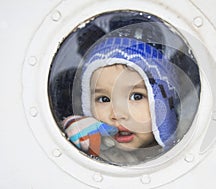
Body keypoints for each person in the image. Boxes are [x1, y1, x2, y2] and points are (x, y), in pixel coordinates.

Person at [62, 36, 181, 165]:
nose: (117, 114)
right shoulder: (96, 151)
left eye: (136, 96)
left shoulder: (186, 149)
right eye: (104, 99)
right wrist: (72, 133)